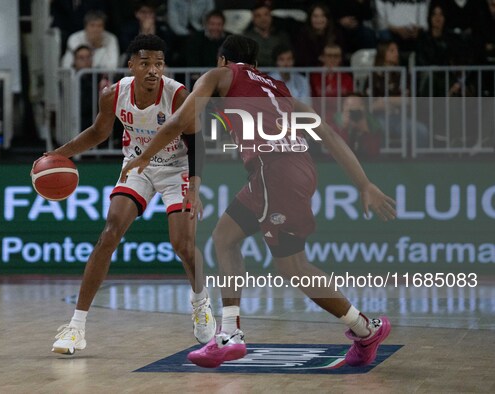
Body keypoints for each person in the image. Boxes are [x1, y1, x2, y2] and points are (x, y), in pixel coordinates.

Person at [121, 35, 396, 368]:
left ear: (223, 60)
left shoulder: (221, 75)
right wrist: (364, 183)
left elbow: (180, 120)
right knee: (226, 238)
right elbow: (329, 134)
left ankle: (362, 328)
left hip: (274, 171)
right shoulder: (278, 89)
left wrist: (145, 157)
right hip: (298, 168)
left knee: (293, 266)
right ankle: (234, 332)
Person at [45, 34, 216, 355]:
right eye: (146, 62)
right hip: (138, 165)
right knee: (109, 233)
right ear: (131, 65)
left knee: (183, 244)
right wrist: (60, 153)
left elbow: (197, 141)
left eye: (159, 63)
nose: (153, 69)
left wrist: (194, 185)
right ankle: (76, 327)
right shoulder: (113, 94)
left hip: (178, 167)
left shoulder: (178, 95)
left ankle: (200, 301)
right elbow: (98, 132)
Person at [331, 92, 383, 159]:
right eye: (350, 108)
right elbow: (334, 154)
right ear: (343, 107)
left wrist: (365, 130)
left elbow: (374, 153)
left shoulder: (373, 123)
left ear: (364, 108)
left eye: (356, 109)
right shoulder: (335, 121)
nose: (353, 113)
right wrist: (344, 129)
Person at [294, 2, 345, 67]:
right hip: (309, 72)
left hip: (333, 72)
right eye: (315, 16)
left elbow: (340, 57)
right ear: (310, 18)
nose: (319, 20)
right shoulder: (302, 35)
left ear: (327, 19)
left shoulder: (337, 34)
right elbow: (302, 58)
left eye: (323, 16)